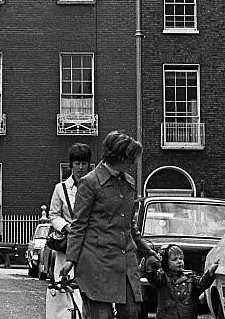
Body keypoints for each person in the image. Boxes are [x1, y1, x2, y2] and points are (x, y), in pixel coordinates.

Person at [59, 131, 158, 319]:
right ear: (118, 157)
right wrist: (71, 260)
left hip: (124, 259)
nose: (132, 163)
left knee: (131, 311)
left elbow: (129, 224)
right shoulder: (89, 183)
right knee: (101, 315)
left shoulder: (128, 182)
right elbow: (79, 225)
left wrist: (145, 248)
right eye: (129, 158)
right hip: (96, 260)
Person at [45, 143, 92, 319]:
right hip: (67, 246)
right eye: (77, 163)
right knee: (64, 286)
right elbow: (53, 214)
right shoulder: (61, 188)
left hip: (89, 245)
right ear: (70, 165)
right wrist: (67, 227)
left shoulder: (94, 188)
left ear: (89, 165)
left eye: (84, 163)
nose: (80, 167)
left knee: (86, 287)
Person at [143, 245, 218, 319]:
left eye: (181, 259)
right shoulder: (162, 278)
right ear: (166, 262)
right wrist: (149, 265)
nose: (179, 261)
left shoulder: (190, 276)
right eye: (174, 259)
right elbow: (152, 277)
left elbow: (201, 284)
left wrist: (210, 273)